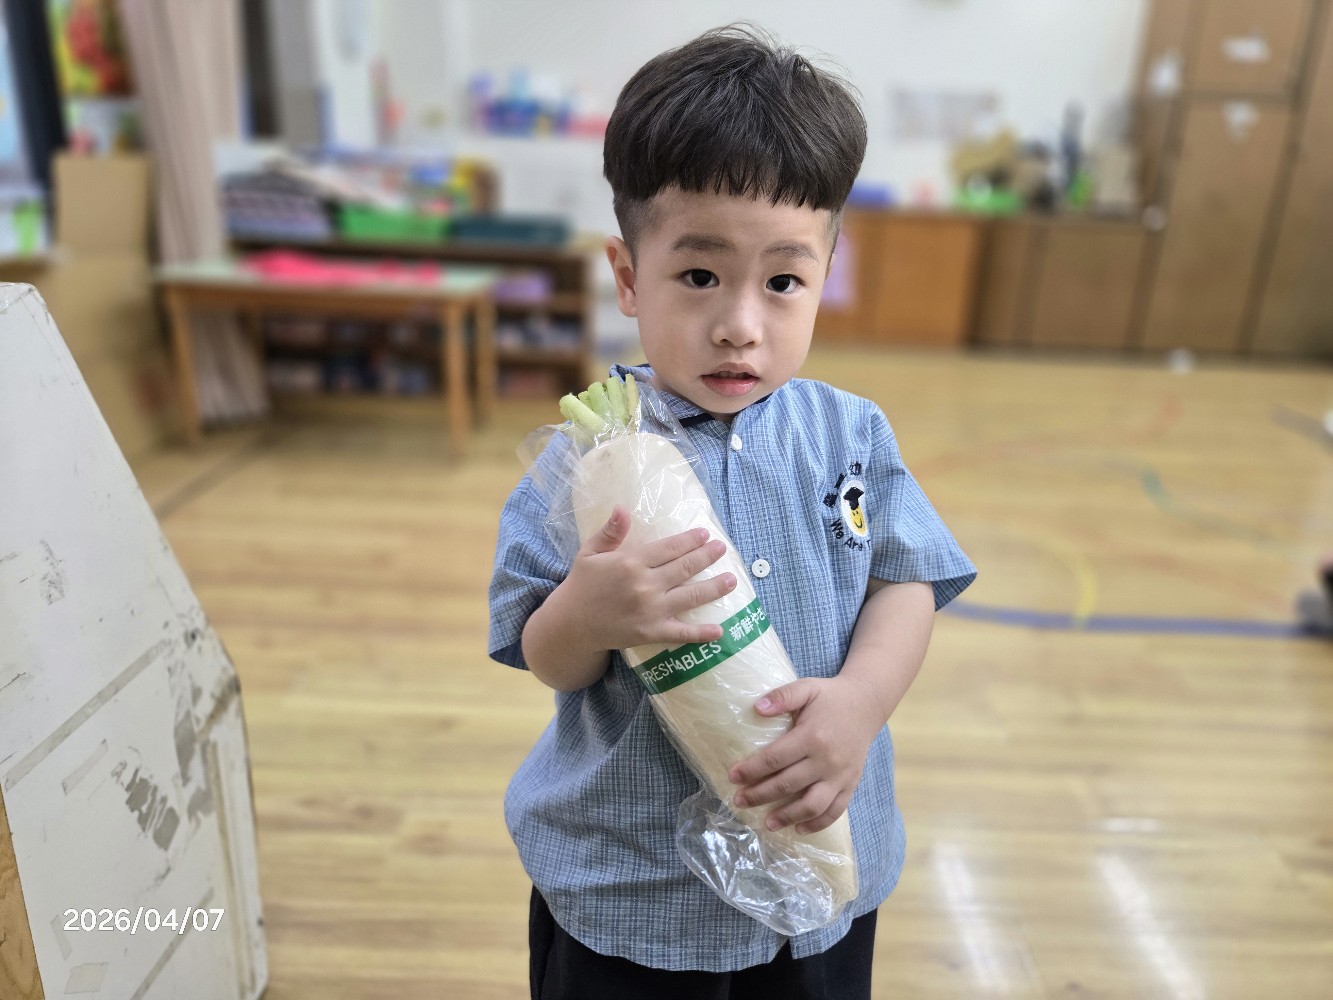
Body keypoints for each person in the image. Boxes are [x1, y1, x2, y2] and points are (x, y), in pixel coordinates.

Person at [488, 24, 976, 1000]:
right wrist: (586, 614)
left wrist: (860, 703)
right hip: (632, 889)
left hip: (822, 854)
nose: (739, 325)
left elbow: (906, 579)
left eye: (783, 281)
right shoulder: (585, 462)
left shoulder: (849, 431)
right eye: (699, 276)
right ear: (629, 277)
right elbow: (542, 650)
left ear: (825, 274)